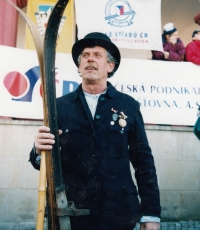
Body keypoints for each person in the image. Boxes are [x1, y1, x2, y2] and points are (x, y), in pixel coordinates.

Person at [29, 32, 161, 230]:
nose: (90, 58)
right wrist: (38, 151)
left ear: (110, 66)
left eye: (97, 55)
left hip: (119, 214)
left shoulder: (128, 105)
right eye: (85, 55)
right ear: (79, 66)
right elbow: (43, 164)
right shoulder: (58, 107)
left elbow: (143, 162)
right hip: (70, 215)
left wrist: (151, 214)